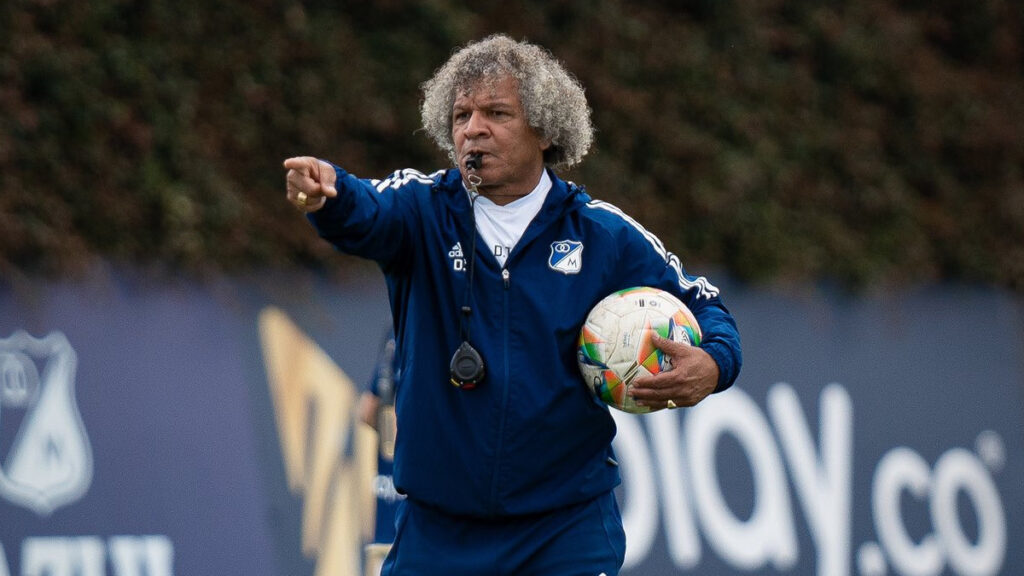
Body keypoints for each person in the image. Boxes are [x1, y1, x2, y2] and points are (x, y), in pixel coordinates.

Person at [283, 34, 741, 576]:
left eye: (496, 112)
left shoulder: (602, 234)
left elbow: (705, 305)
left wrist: (713, 364)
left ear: (545, 130)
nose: (472, 128)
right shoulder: (421, 211)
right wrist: (330, 196)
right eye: (460, 115)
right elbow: (366, 213)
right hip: (438, 534)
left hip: (564, 533)